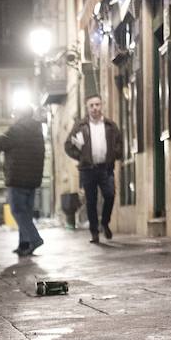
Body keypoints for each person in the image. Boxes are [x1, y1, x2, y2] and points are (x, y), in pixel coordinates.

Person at [0, 106, 46, 256]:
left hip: (17, 179)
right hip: (33, 180)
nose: (13, 116)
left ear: (20, 114)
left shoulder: (16, 130)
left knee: (17, 211)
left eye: (14, 113)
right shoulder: (38, 132)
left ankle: (34, 238)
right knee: (26, 213)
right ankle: (24, 244)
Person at [64, 94, 124, 243]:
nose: (95, 108)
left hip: (106, 167)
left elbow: (119, 142)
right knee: (91, 201)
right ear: (87, 107)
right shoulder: (80, 126)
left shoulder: (110, 125)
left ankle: (104, 222)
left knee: (110, 195)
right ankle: (94, 232)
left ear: (101, 105)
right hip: (87, 169)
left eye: (97, 104)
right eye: (91, 105)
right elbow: (68, 145)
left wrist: (114, 154)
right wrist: (81, 157)